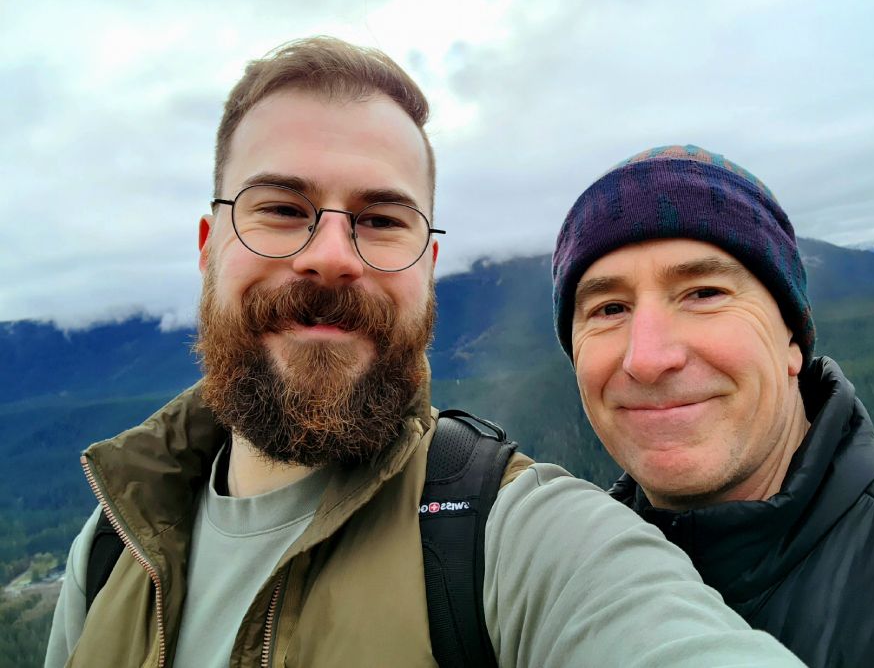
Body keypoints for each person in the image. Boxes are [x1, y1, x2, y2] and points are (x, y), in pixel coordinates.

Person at [45, 42, 804, 668]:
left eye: (381, 219)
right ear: (209, 250)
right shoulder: (112, 548)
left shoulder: (509, 538)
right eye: (281, 209)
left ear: (428, 267)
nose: (333, 255)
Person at [551, 144, 874, 668]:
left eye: (704, 293)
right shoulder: (567, 584)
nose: (648, 359)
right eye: (609, 308)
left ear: (792, 338)